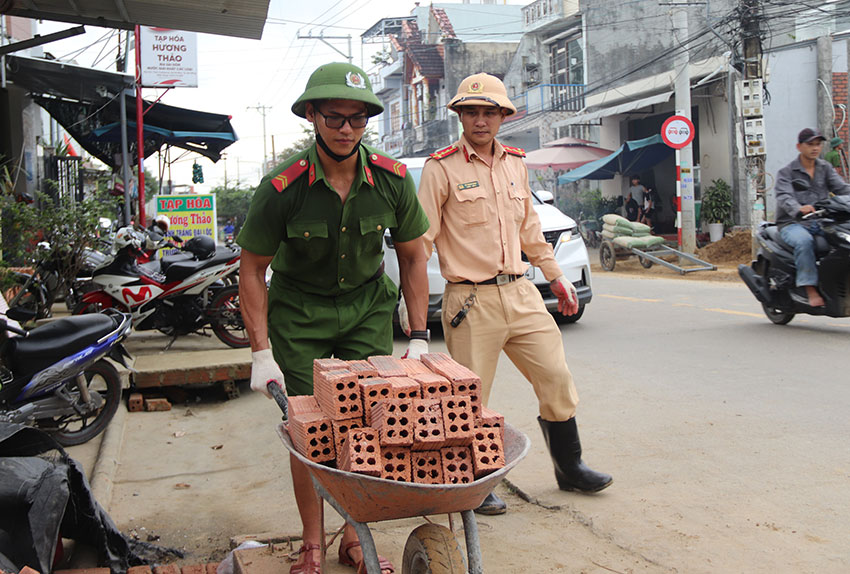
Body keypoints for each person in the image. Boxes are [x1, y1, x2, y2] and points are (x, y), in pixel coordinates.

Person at [237, 62, 430, 574]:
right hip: (300, 317)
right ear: (313, 117)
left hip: (367, 311)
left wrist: (418, 336)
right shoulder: (283, 189)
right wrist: (261, 352)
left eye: (357, 119)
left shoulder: (391, 180)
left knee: (366, 426)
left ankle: (353, 539)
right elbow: (252, 270)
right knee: (311, 431)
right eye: (335, 117)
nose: (346, 129)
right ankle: (311, 544)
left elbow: (413, 257)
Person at [417, 72, 613, 516]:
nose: (480, 120)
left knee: (556, 378)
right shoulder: (440, 168)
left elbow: (529, 227)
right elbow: (422, 239)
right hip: (470, 301)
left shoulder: (515, 163)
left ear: (503, 116)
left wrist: (555, 276)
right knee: (469, 398)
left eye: (489, 112)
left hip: (522, 292)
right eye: (471, 111)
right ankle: (475, 481)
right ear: (460, 116)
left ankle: (571, 467)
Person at [775, 127, 850, 307]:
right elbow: (784, 197)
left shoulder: (825, 168)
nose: (815, 148)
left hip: (821, 220)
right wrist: (799, 208)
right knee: (804, 242)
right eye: (810, 144)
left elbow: (842, 188)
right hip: (793, 223)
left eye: (818, 144)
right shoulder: (787, 172)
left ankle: (831, 284)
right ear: (799, 146)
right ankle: (809, 289)